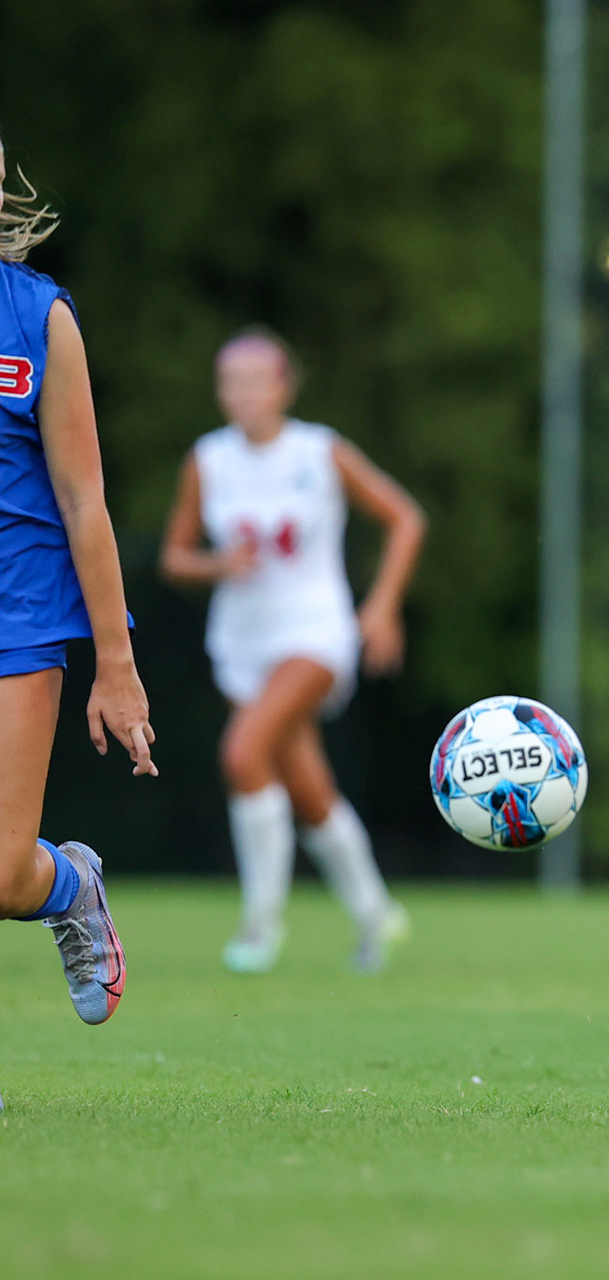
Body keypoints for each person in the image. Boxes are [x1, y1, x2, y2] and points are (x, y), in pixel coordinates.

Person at [161, 328, 425, 974]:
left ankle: (259, 925)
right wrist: (217, 564)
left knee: (243, 751)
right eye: (231, 381)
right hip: (241, 644)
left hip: (315, 634)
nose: (243, 393)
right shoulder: (209, 460)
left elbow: (404, 518)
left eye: (256, 380)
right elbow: (174, 557)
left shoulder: (320, 450)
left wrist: (383, 603)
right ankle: (376, 916)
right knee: (307, 791)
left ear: (284, 386)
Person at [0, 135, 155, 1097]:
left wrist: (116, 661)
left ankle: (69, 885)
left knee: (2, 874)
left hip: (18, 621)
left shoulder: (39, 316)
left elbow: (85, 499)